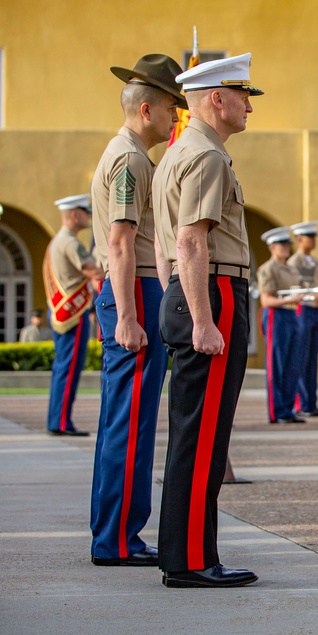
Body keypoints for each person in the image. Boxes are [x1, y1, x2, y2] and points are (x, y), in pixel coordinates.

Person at [152, 52, 262, 588]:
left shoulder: (178, 152)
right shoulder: (207, 157)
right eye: (243, 94)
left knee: (193, 435)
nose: (249, 105)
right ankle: (192, 559)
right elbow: (190, 240)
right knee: (204, 438)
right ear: (216, 98)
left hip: (192, 287)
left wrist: (177, 296)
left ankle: (183, 552)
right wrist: (203, 319)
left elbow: (163, 242)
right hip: (212, 291)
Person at [89, 54, 185, 567]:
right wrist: (127, 315)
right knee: (131, 422)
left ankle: (114, 533)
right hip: (134, 292)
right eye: (172, 107)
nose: (176, 118)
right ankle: (118, 539)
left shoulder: (128, 154)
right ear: (146, 109)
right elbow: (121, 243)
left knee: (122, 419)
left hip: (135, 291)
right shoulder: (128, 159)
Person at [44, 194, 105, 436]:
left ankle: (59, 420)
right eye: (85, 213)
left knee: (63, 368)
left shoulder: (59, 240)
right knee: (68, 369)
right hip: (72, 314)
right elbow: (94, 270)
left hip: (63, 312)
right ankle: (60, 422)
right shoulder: (70, 242)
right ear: (74, 214)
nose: (88, 217)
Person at [258, 227, 306, 424]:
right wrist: (291, 299)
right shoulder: (267, 269)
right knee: (277, 364)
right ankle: (276, 411)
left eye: (288, 245)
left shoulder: (291, 270)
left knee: (292, 364)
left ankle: (287, 408)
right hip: (276, 315)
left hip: (291, 314)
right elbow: (266, 300)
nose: (287, 248)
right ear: (272, 247)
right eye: (282, 245)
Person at [288, 220, 318, 417]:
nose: (313, 241)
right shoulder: (294, 263)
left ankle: (311, 402)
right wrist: (315, 296)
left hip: (314, 310)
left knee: (312, 359)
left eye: (314, 237)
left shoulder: (315, 262)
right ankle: (301, 403)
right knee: (301, 358)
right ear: (299, 239)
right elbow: (296, 290)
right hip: (302, 310)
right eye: (309, 237)